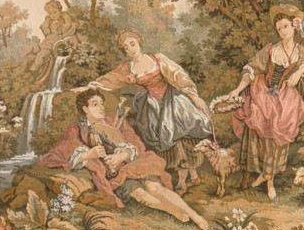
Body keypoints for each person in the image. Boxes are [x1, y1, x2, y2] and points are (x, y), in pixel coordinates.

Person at [39, 89, 208, 229]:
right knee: (142, 195)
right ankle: (174, 211)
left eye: (102, 104)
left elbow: (135, 143)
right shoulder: (78, 129)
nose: (101, 108)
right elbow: (65, 149)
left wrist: (122, 155)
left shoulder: (115, 122)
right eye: (95, 104)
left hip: (135, 165)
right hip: (116, 175)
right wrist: (89, 155)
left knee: (156, 188)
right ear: (85, 109)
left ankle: (195, 215)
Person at [85, 30, 213, 193]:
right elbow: (110, 80)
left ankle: (187, 178)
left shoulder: (157, 59)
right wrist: (89, 86)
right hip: (152, 105)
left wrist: (194, 97)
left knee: (181, 135)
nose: (130, 49)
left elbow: (178, 75)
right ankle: (188, 177)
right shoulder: (128, 68)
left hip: (172, 100)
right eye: (126, 47)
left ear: (139, 43)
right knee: (168, 138)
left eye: (132, 44)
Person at [225, 5, 304, 201]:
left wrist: (299, 72)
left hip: (285, 93)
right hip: (263, 90)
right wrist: (238, 90)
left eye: (285, 26)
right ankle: (268, 179)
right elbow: (251, 69)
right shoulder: (271, 49)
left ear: (295, 26)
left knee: (284, 122)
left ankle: (268, 175)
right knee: (265, 120)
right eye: (279, 28)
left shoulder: (301, 52)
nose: (282, 31)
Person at [24, 1, 80, 87]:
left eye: (55, 12)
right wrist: (49, 25)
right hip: (52, 39)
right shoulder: (49, 20)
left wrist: (62, 30)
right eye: (50, 13)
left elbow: (69, 25)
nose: (53, 15)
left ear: (59, 10)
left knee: (58, 47)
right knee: (43, 52)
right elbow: (45, 29)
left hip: (66, 38)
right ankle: (34, 68)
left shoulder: (65, 16)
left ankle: (36, 69)